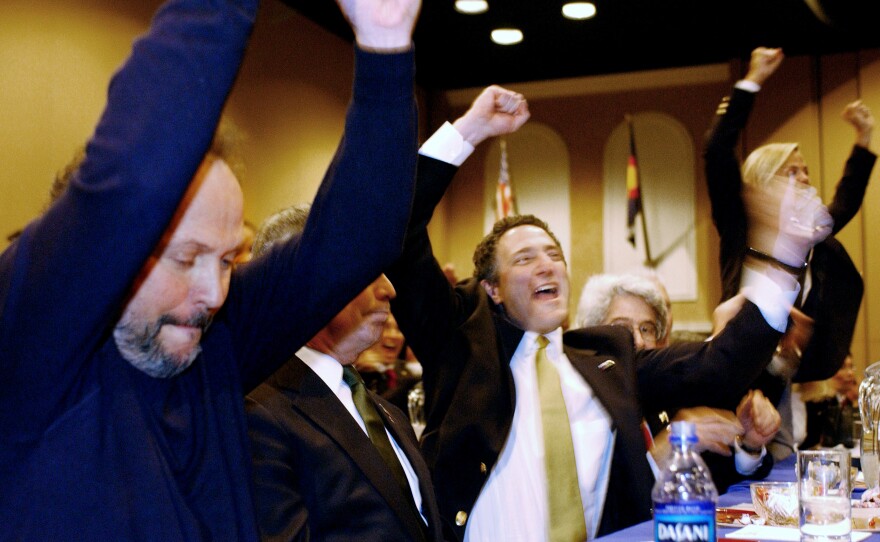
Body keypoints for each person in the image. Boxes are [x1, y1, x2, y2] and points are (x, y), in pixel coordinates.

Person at [0, 0, 421, 539]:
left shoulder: (211, 345)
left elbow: (357, 239)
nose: (213, 291)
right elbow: (135, 173)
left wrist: (384, 45)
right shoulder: (36, 333)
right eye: (185, 258)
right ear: (106, 249)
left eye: (226, 260)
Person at [386, 85, 822, 539]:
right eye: (524, 258)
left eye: (554, 253)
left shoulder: (606, 358)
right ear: (491, 289)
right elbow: (399, 232)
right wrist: (470, 129)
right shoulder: (461, 349)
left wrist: (786, 257)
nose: (546, 264)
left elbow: (718, 367)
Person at [704, 46, 876, 459]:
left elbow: (845, 203)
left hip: (789, 376)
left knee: (786, 469)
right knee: (757, 471)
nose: (803, 179)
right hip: (739, 380)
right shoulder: (741, 225)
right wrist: (752, 81)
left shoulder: (811, 235)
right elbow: (716, 154)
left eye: (806, 171)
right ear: (763, 184)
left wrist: (865, 141)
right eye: (790, 171)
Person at [246, 207, 443, 542]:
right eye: (367, 272)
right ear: (302, 282)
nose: (389, 289)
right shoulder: (260, 411)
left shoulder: (387, 412)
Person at [575, 273, 780, 493]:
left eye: (646, 329)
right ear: (592, 334)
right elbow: (601, 505)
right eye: (621, 329)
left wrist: (748, 444)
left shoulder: (662, 396)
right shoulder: (583, 401)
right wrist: (665, 451)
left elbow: (711, 476)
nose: (638, 341)